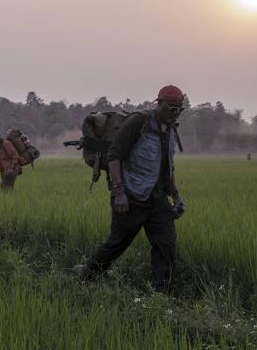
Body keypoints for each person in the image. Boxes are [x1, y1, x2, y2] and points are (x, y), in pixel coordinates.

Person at [77, 85, 187, 292]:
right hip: (131, 196)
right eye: (171, 108)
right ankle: (85, 279)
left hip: (158, 200)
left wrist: (177, 197)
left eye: (179, 109)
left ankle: (161, 295)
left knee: (166, 246)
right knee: (117, 244)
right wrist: (119, 193)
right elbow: (114, 156)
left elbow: (167, 167)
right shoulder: (139, 122)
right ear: (159, 103)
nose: (175, 112)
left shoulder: (171, 129)